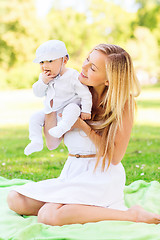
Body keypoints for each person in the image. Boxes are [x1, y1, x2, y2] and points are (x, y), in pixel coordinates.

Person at [7, 44, 160, 225]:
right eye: (87, 59)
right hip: (73, 171)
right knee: (15, 199)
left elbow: (115, 157)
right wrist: (50, 99)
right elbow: (52, 143)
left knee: (48, 215)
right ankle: (75, 208)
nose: (84, 67)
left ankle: (132, 215)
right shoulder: (74, 90)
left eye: (93, 68)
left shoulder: (122, 104)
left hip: (101, 176)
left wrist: (82, 125)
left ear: (108, 80)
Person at [24, 40, 92, 156]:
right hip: (52, 112)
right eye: (41, 62)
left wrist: (86, 110)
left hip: (68, 111)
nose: (45, 66)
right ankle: (36, 141)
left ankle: (62, 127)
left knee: (73, 108)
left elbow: (85, 94)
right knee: (34, 118)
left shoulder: (72, 76)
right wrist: (44, 82)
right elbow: (37, 92)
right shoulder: (44, 77)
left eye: (50, 61)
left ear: (64, 60)